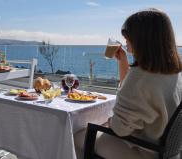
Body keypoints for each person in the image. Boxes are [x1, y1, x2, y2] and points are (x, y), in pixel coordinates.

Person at [74, 8, 182, 159]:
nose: (125, 40)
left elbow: (120, 129)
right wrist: (123, 63)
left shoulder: (140, 77)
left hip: (143, 151)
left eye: (128, 36)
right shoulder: (174, 71)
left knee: (77, 136)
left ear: (141, 39)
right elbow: (135, 96)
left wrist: (107, 122)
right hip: (167, 152)